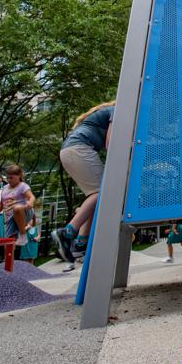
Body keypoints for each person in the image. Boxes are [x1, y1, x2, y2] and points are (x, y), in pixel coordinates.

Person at [53, 101, 115, 270]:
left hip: (69, 151)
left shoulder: (106, 111)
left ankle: (80, 243)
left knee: (94, 197)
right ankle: (67, 233)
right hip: (80, 149)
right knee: (101, 192)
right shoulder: (119, 109)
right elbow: (111, 143)